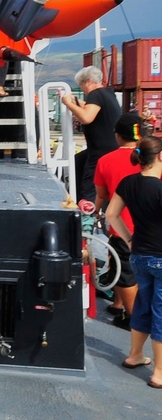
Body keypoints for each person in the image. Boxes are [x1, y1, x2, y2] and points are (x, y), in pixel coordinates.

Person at [105, 136, 162, 388]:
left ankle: (135, 355)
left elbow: (111, 215)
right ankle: (159, 372)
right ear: (160, 157)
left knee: (141, 304)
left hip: (139, 254)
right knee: (160, 312)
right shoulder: (160, 189)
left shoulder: (128, 183)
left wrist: (128, 239)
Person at [94, 112, 144, 329]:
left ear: (118, 136)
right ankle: (117, 304)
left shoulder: (106, 161)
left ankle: (133, 318)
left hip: (122, 227)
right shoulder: (152, 159)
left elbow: (102, 195)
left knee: (124, 274)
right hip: (150, 226)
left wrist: (95, 211)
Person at [62, 66, 122, 204]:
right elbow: (89, 106)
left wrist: (67, 104)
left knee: (89, 183)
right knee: (77, 162)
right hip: (110, 146)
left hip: (100, 150)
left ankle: (88, 211)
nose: (82, 88)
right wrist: (75, 101)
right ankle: (77, 198)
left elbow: (86, 117)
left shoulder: (95, 94)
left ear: (88, 81)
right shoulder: (107, 93)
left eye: (81, 84)